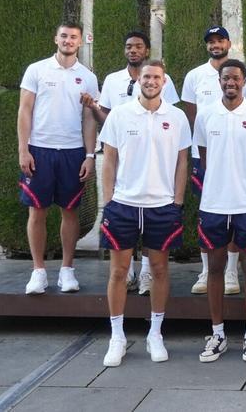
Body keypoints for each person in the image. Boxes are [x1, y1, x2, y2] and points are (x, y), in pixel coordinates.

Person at [98, 60, 191, 367]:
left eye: (157, 77)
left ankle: (155, 334)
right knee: (118, 273)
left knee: (160, 271)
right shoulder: (120, 115)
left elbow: (182, 162)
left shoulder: (176, 117)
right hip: (124, 204)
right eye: (147, 76)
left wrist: (177, 201)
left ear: (165, 82)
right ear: (139, 79)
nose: (151, 81)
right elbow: (109, 159)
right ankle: (117, 337)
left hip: (161, 206)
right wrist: (109, 199)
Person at [194, 59, 246, 364]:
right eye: (226, 78)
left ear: (245, 82)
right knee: (215, 269)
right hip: (214, 204)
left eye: (236, 78)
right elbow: (204, 160)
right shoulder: (205, 117)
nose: (231, 82)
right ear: (220, 81)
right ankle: (217, 334)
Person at [85, 31, 180, 296]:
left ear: (146, 50)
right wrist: (94, 108)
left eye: (138, 46)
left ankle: (148, 271)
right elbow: (104, 115)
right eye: (129, 46)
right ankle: (128, 273)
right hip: (123, 155)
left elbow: (170, 116)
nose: (133, 50)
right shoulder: (113, 80)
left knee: (153, 228)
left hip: (154, 163)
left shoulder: (164, 81)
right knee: (124, 233)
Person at [17, 23, 99, 295]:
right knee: (36, 211)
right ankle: (38, 272)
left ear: (80, 42)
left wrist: (89, 155)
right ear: (56, 38)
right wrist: (23, 149)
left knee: (70, 212)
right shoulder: (36, 70)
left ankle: (67, 271)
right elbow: (24, 110)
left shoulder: (87, 77)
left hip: (72, 152)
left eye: (73, 37)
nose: (68, 40)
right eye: (64, 36)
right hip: (39, 149)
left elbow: (89, 119)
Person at [182, 26, 246, 296]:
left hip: (239, 157)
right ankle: (205, 271)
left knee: (235, 211)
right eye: (211, 41)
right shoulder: (194, 76)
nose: (216, 45)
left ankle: (231, 272)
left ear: (228, 42)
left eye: (220, 40)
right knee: (208, 212)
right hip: (206, 155)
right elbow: (193, 118)